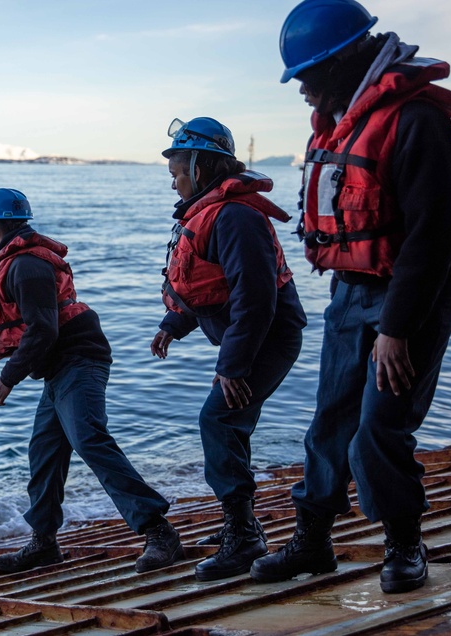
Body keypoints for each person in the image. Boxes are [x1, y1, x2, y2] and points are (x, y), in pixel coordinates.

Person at [250, 0, 451, 594]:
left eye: (305, 74)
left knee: (380, 425)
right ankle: (312, 543)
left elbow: (434, 237)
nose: (301, 89)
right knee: (331, 417)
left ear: (342, 60)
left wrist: (398, 328)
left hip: (415, 293)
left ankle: (405, 543)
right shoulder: (346, 118)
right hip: (353, 288)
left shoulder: (417, 122)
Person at [0, 188, 184, 575]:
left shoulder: (26, 266)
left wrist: (7, 378)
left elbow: (42, 331)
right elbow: (21, 331)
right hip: (60, 367)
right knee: (44, 453)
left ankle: (160, 532)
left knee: (89, 438)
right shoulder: (21, 263)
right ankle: (44, 543)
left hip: (79, 360)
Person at [153, 117, 307, 581]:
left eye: (179, 173)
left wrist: (234, 366)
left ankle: (243, 536)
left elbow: (256, 299)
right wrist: (173, 325)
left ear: (201, 169)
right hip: (250, 337)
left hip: (268, 337)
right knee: (229, 424)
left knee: (217, 419)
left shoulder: (237, 216)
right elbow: (207, 285)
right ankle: (240, 525)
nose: (175, 183)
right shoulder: (211, 213)